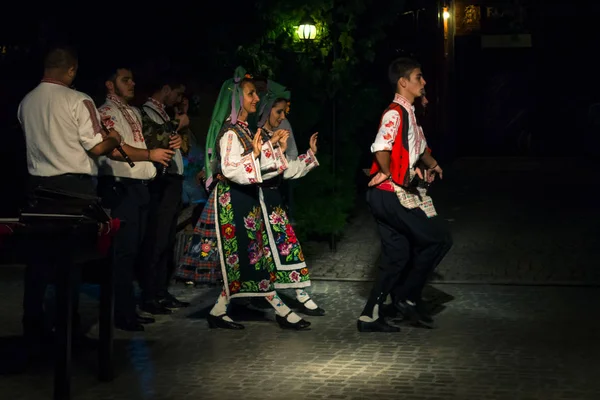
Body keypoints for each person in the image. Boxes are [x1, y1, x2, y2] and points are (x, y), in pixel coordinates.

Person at [17, 45, 122, 352]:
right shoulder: (79, 100)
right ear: (72, 69)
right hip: (74, 188)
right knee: (71, 261)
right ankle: (67, 327)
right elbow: (96, 148)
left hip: (37, 186)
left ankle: (32, 327)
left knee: (37, 262)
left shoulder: (26, 102)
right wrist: (113, 137)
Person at [201, 67, 311, 330]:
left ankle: (218, 310)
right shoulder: (230, 132)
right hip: (233, 200)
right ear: (237, 98)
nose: (256, 98)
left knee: (248, 258)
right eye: (250, 93)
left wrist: (274, 148)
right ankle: (282, 311)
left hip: (245, 200)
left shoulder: (245, 131)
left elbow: (257, 165)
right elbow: (230, 169)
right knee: (252, 258)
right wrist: (258, 152)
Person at [357, 57, 452, 332]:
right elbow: (380, 146)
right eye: (418, 77)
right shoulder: (394, 113)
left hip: (385, 196)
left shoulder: (409, 113)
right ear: (403, 82)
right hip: (388, 195)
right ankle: (407, 296)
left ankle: (369, 316)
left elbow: (419, 149)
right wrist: (387, 172)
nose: (423, 82)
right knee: (438, 238)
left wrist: (434, 166)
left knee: (396, 255)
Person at [96, 66, 176, 331]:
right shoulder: (106, 111)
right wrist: (151, 155)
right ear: (110, 85)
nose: (131, 84)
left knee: (135, 250)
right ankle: (121, 312)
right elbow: (115, 149)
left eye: (132, 79)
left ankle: (129, 306)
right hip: (121, 186)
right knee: (123, 252)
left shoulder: (131, 111)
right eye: (125, 80)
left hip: (139, 185)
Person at [255, 85, 324, 316]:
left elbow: (286, 169)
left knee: (287, 246)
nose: (283, 117)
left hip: (273, 200)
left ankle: (300, 294)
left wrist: (309, 154)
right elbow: (259, 169)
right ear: (265, 112)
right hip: (255, 201)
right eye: (278, 112)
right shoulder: (255, 136)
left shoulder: (276, 135)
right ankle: (237, 302)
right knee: (261, 254)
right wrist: (274, 147)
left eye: (284, 113)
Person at [137, 76, 188, 314]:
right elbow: (155, 138)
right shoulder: (146, 112)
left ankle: (160, 290)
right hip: (160, 180)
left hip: (173, 180)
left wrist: (179, 131)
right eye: (176, 94)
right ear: (165, 88)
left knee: (167, 238)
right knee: (156, 238)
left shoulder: (165, 114)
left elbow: (180, 144)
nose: (178, 100)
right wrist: (177, 126)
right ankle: (149, 294)